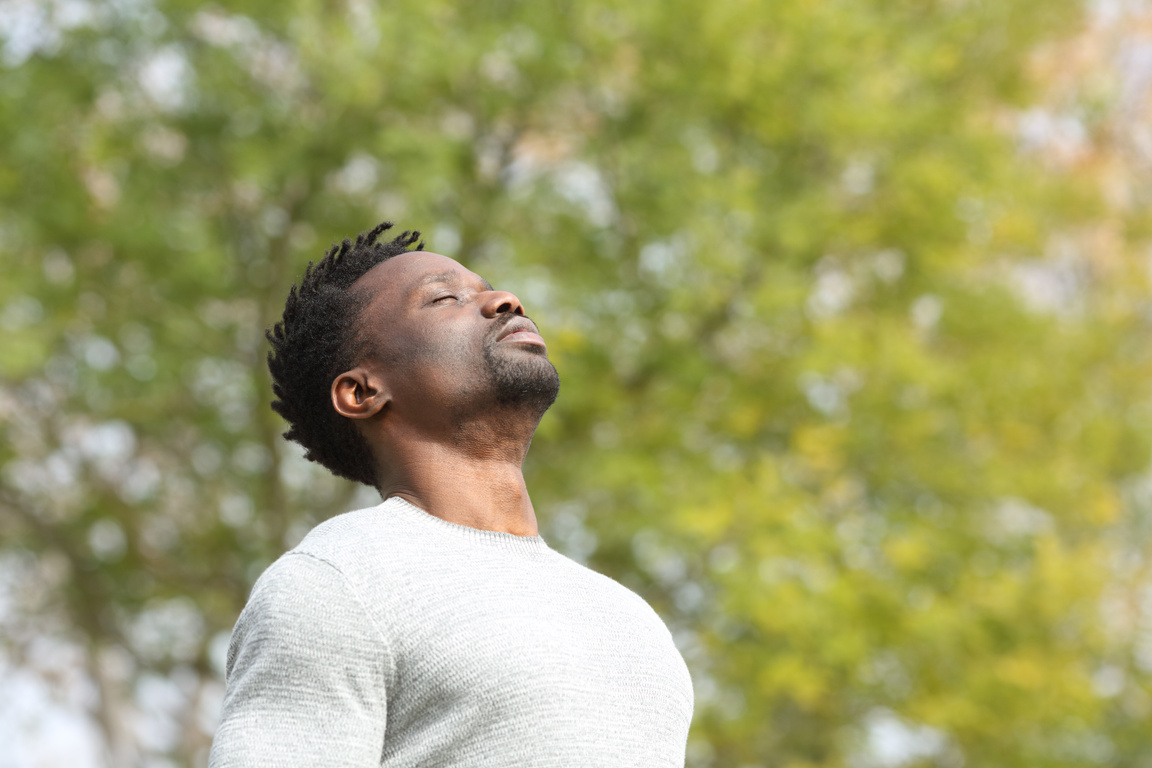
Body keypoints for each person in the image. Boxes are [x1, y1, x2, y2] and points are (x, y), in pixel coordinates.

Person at [208, 222, 694, 767]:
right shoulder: (336, 582)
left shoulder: (626, 616)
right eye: (444, 298)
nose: (503, 301)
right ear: (363, 391)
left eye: (490, 288)